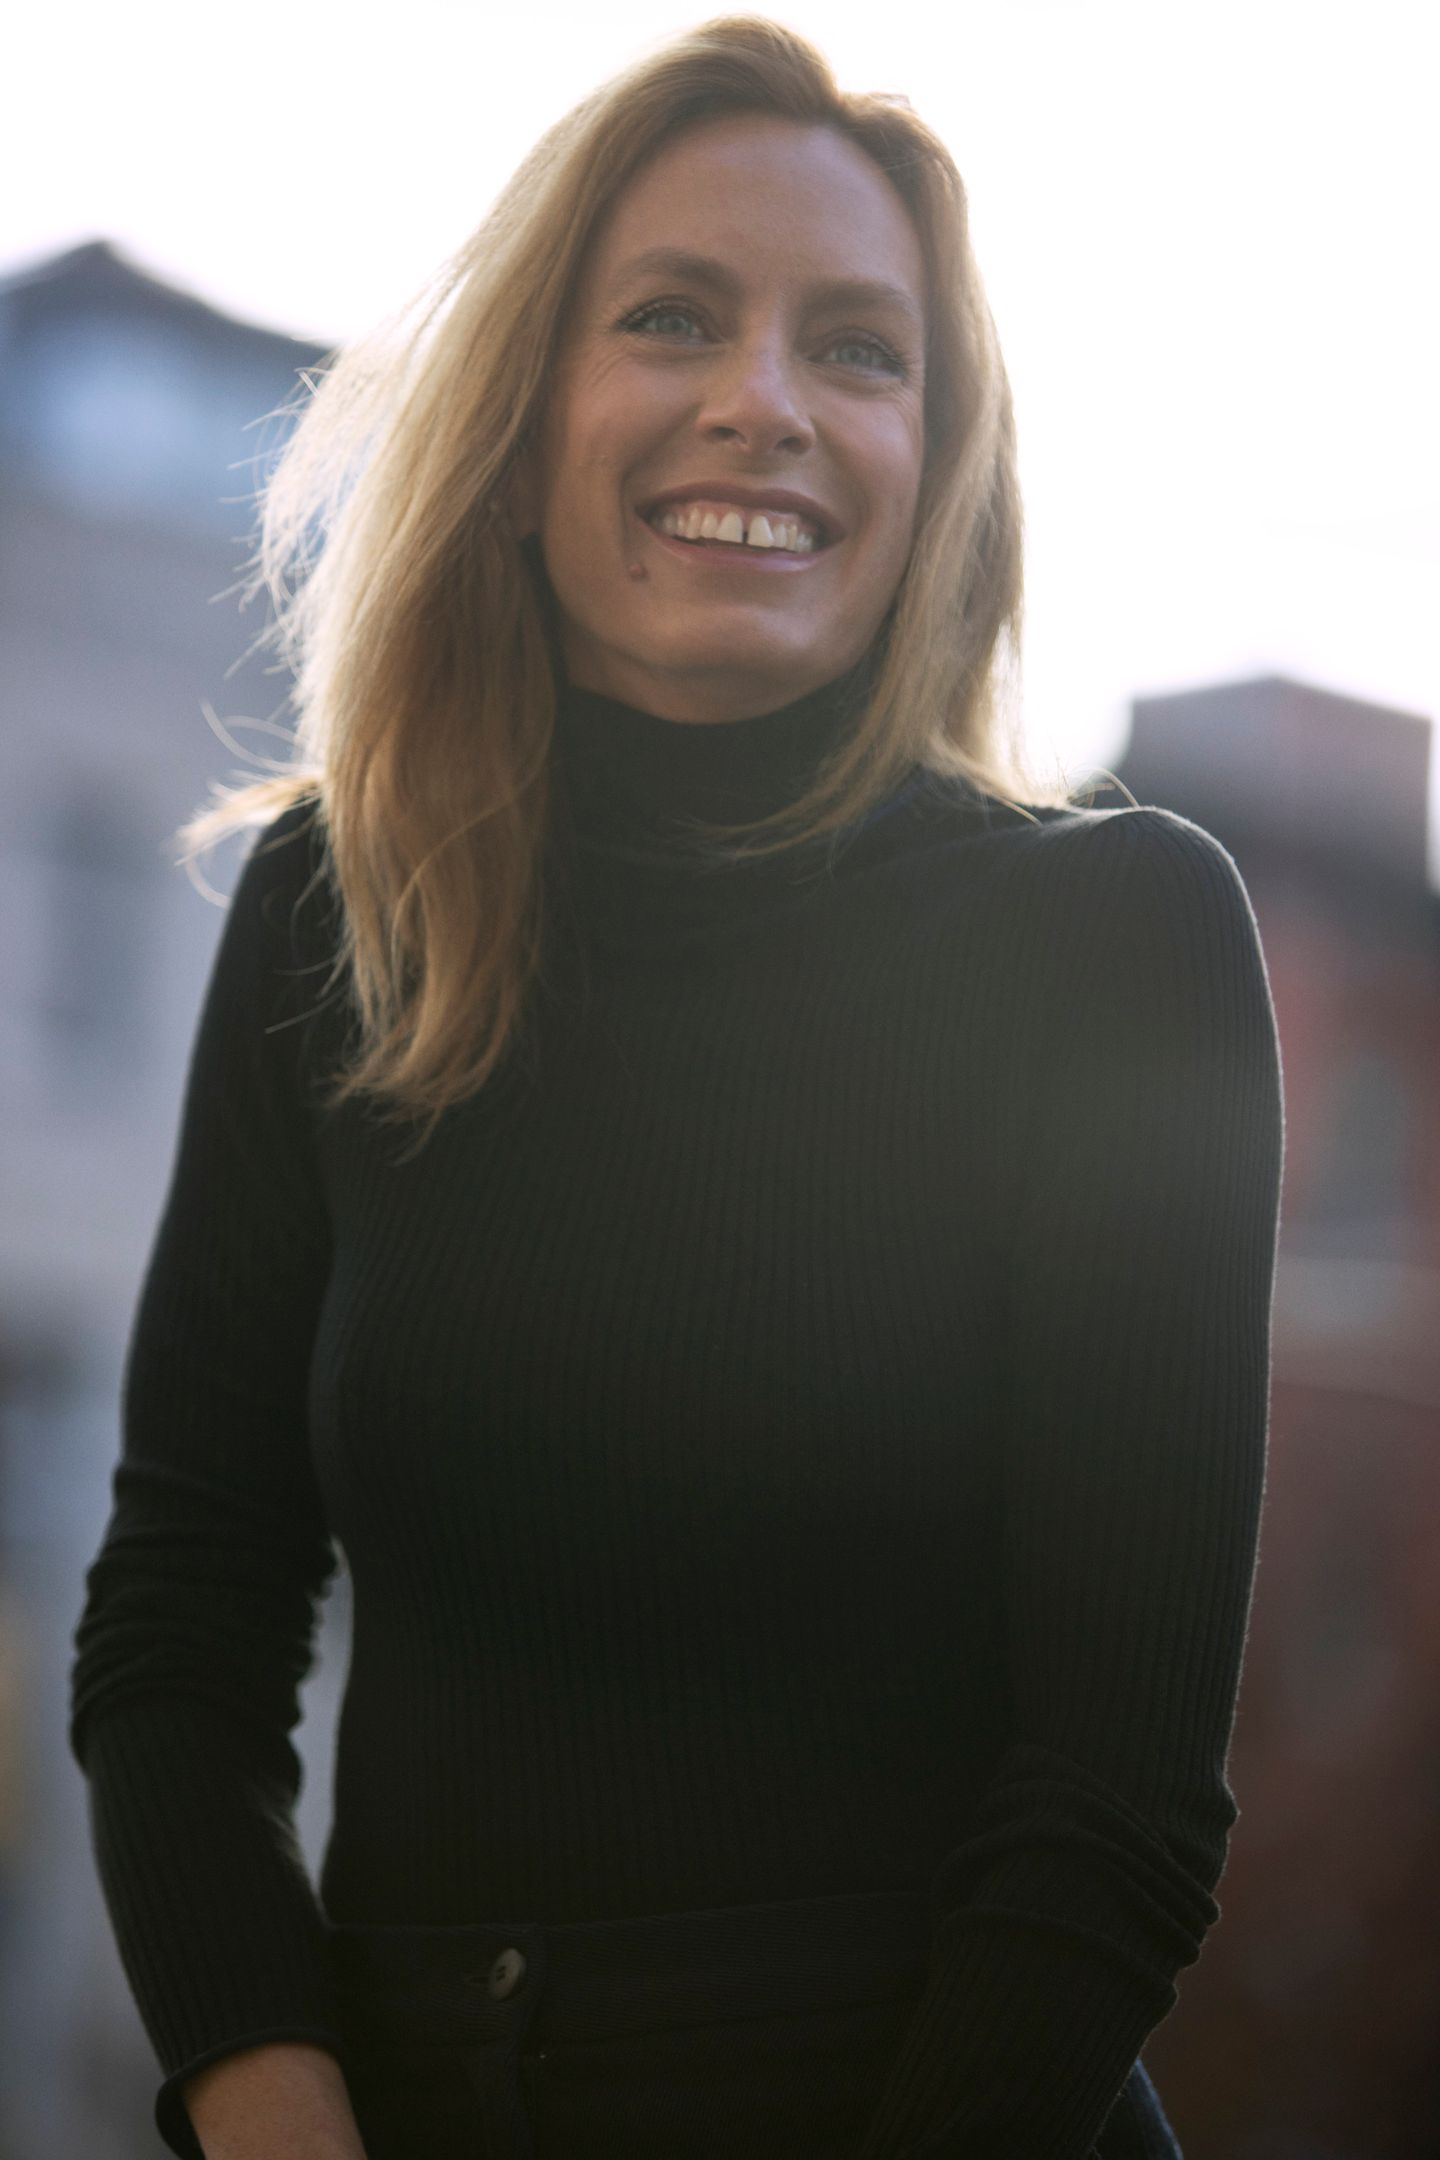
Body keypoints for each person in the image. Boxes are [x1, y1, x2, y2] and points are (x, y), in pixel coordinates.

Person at [68, 16, 1285, 2160]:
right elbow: (181, 1625)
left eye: (860, 350)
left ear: (936, 465)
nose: (766, 401)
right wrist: (276, 2110)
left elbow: (1118, 1807)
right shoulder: (337, 910)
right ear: (521, 416)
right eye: (671, 317)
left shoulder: (1117, 940)